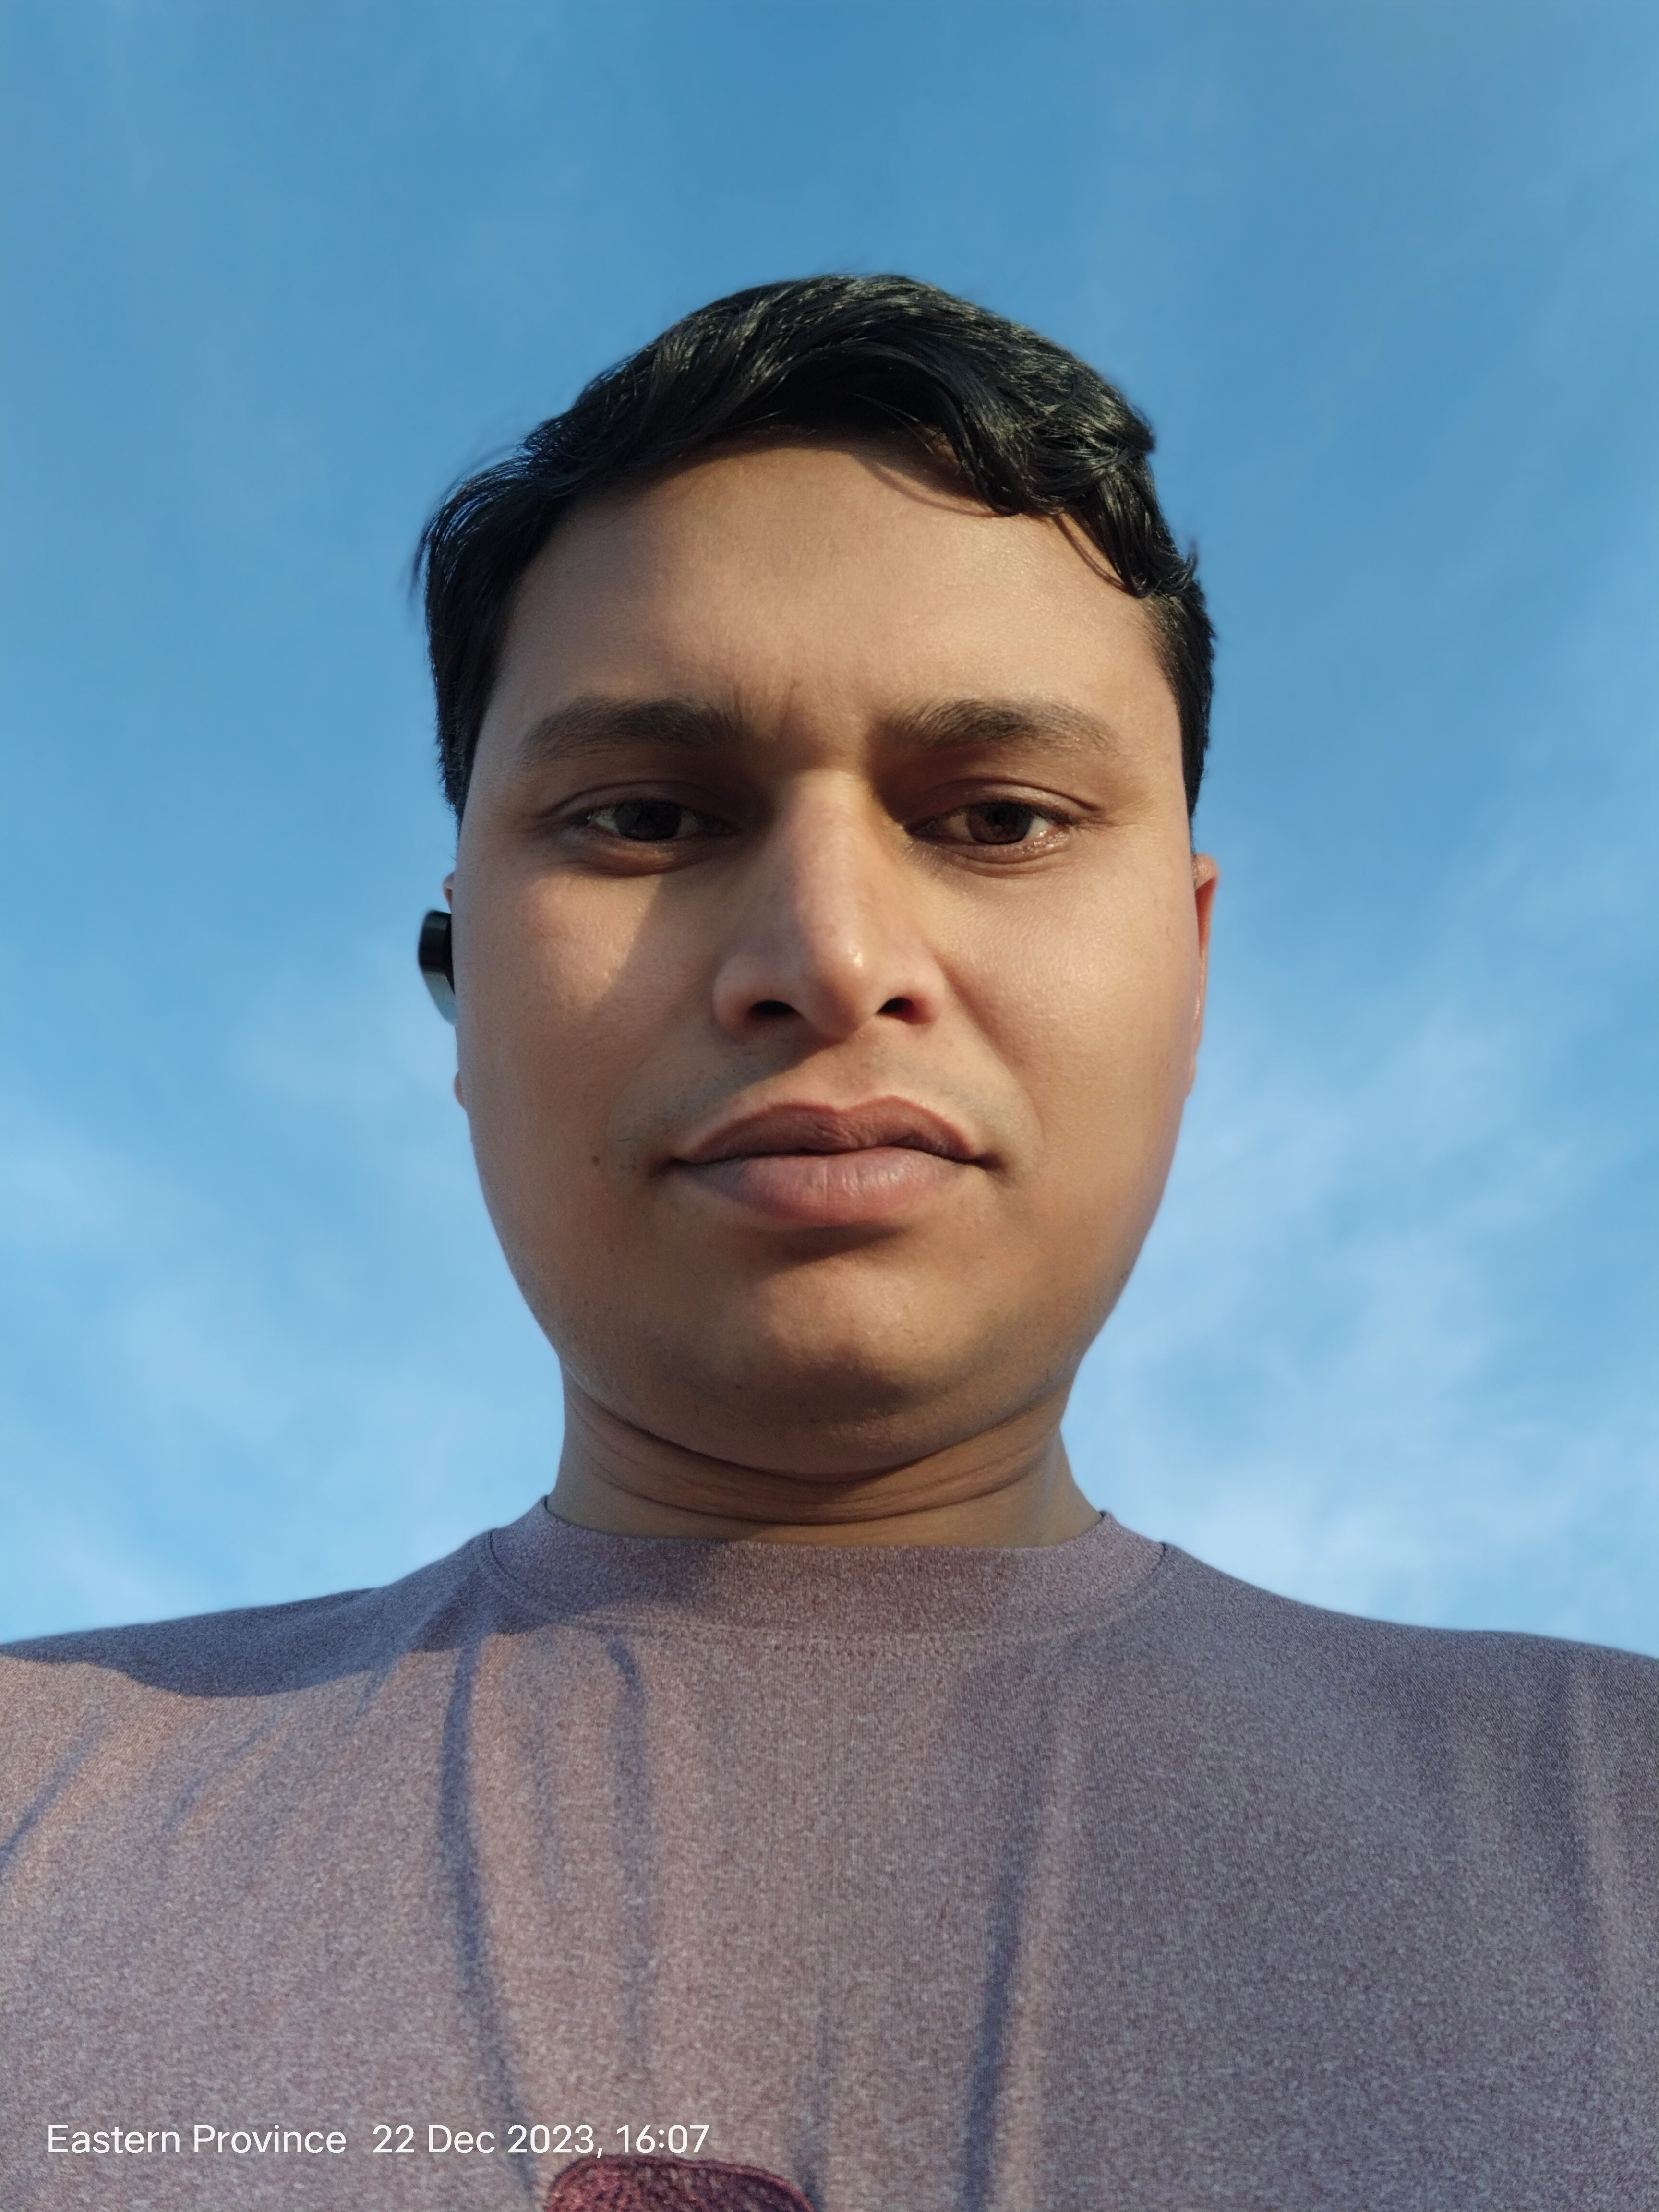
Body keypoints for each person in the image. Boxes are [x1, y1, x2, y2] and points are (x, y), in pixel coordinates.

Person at [1, 276, 1652, 2212]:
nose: (830, 957)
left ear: (1191, 968)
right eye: (645, 816)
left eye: (1001, 818)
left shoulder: (1618, 1837)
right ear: (462, 976)